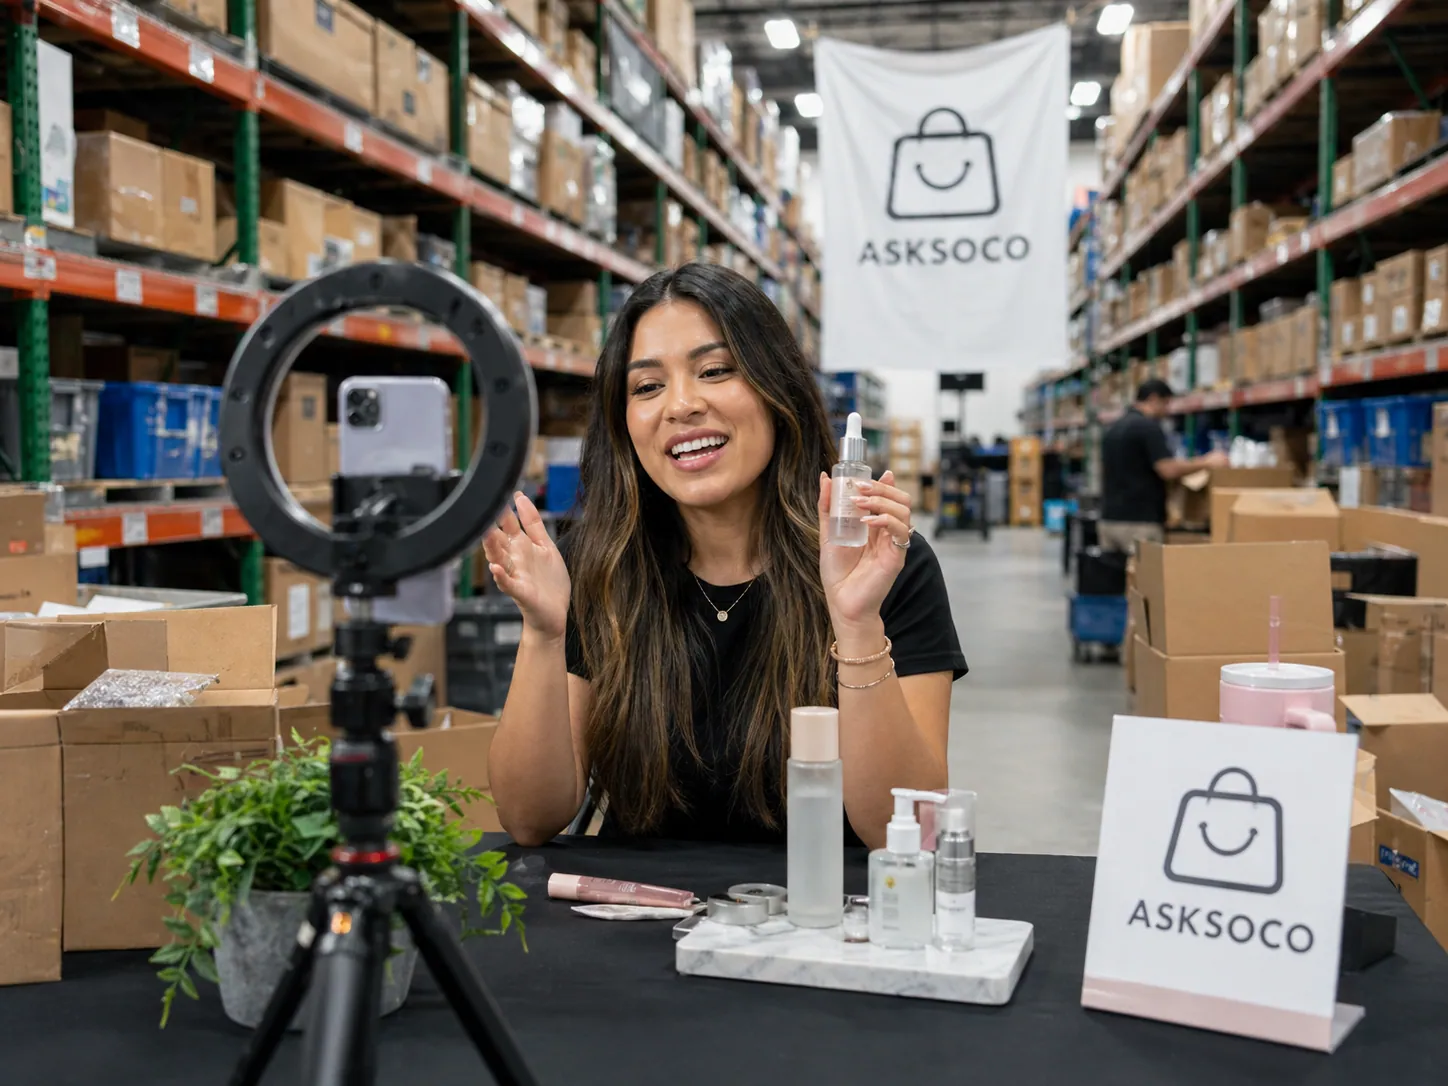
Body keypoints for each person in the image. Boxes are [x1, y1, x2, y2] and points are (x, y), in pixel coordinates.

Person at [483, 263, 967, 849]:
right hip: (637, 923)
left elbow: (908, 835)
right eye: (647, 386)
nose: (681, 405)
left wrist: (858, 623)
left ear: (776, 390)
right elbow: (531, 818)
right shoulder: (600, 566)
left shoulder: (885, 563)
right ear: (623, 421)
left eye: (715, 371)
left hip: (829, 923)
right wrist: (542, 632)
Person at [1099, 379, 1228, 552]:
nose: (1167, 411)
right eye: (1166, 404)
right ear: (1153, 399)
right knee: (1146, 577)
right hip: (1139, 523)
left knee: (1117, 578)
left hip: (1109, 520)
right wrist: (1207, 461)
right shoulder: (1148, 428)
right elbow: (1167, 469)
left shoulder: (1114, 428)